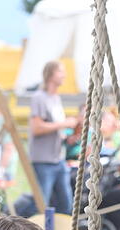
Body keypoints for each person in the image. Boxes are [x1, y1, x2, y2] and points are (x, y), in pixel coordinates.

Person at [29, 61, 77, 215]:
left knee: (66, 204)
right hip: (43, 161)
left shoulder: (56, 98)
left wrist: (67, 137)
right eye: (60, 71)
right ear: (50, 74)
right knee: (41, 205)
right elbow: (36, 128)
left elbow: (54, 128)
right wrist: (64, 123)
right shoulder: (39, 97)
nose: (64, 75)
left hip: (58, 159)